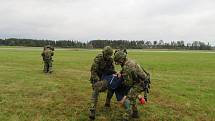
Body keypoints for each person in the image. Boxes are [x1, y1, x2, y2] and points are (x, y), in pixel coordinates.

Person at [113, 49, 150, 120]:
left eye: (118, 61)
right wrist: (121, 73)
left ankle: (126, 116)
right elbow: (128, 70)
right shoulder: (129, 61)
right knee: (132, 97)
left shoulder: (126, 67)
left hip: (139, 83)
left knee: (129, 99)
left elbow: (128, 84)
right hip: (141, 81)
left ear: (121, 60)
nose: (117, 63)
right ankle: (135, 114)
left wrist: (124, 95)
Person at [89, 46, 117, 120]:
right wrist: (98, 80)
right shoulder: (98, 59)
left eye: (109, 55)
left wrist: (114, 75)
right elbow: (93, 72)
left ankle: (107, 103)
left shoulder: (110, 60)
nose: (108, 57)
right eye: (107, 55)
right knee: (96, 90)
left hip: (105, 78)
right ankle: (92, 109)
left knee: (112, 86)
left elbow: (112, 70)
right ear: (104, 53)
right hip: (97, 78)